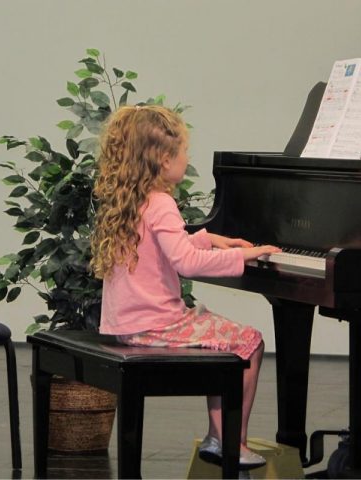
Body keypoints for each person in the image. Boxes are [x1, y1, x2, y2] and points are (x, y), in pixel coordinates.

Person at [90, 104, 281, 468]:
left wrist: (209, 238)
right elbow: (185, 263)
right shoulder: (162, 203)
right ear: (163, 159)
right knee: (248, 341)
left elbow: (162, 253)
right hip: (156, 324)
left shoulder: (134, 199)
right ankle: (230, 442)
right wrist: (246, 256)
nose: (187, 157)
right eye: (183, 152)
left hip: (127, 324)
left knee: (219, 336)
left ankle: (218, 437)